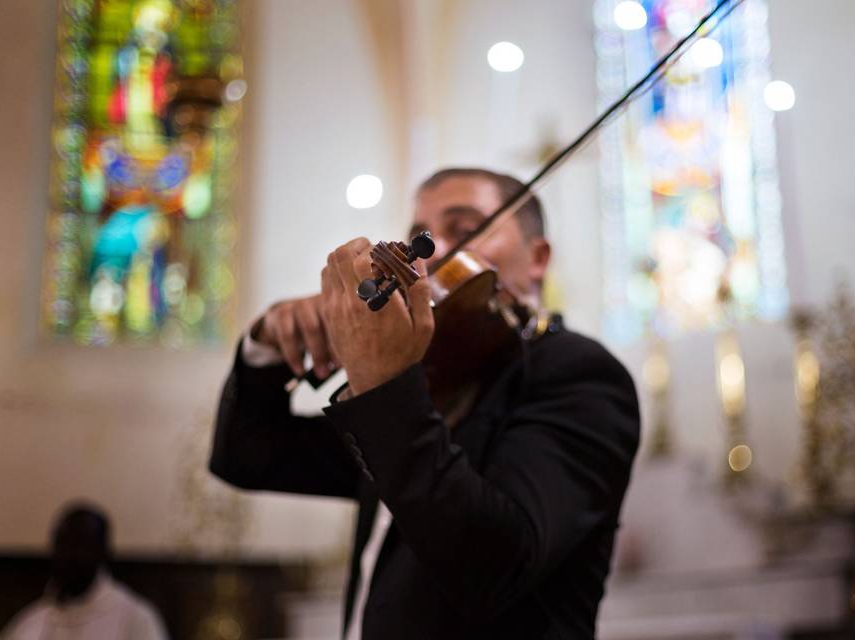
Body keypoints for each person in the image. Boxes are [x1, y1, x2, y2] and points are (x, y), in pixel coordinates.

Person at [209, 168, 641, 639]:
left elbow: (497, 567)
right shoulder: (430, 379)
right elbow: (248, 454)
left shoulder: (580, 375)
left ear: (537, 258)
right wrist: (268, 343)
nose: (429, 254)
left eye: (465, 229)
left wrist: (383, 379)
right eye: (421, 235)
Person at [0, 503, 167, 640]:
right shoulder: (33, 621)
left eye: (80, 545)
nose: (68, 555)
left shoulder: (136, 618)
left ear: (103, 552)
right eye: (62, 544)